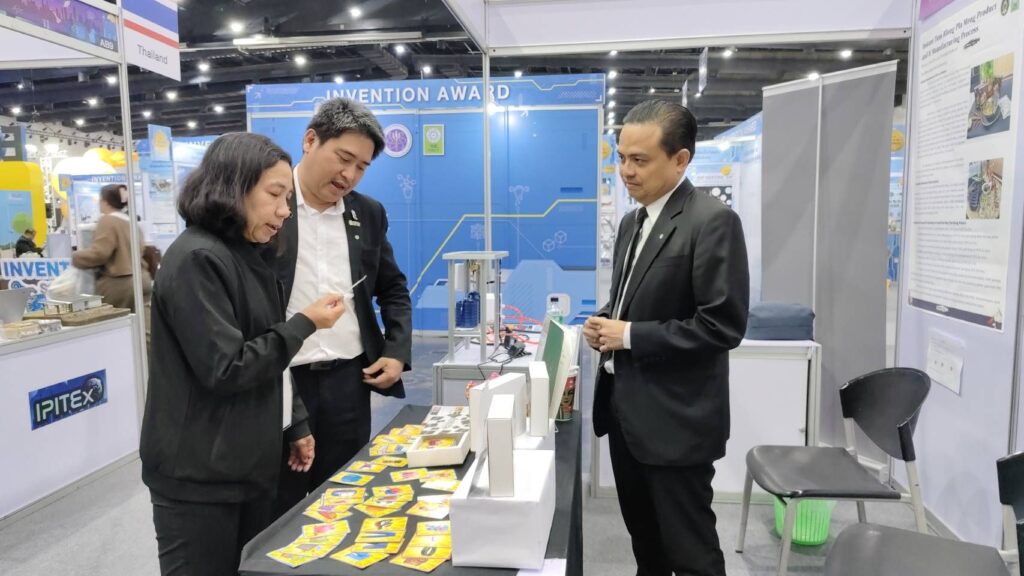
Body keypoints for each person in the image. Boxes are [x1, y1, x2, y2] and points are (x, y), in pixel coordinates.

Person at [139, 133, 346, 576]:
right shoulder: (197, 259)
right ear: (233, 188)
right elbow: (228, 366)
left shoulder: (250, 256)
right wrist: (305, 323)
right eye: (275, 194)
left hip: (247, 465)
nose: (285, 211)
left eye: (287, 198)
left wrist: (295, 423)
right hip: (199, 476)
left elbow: (269, 351)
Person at [584, 100, 749, 576]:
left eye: (640, 160)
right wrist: (606, 322)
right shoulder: (632, 222)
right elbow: (632, 299)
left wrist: (630, 335)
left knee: (691, 555)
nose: (626, 171)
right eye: (621, 158)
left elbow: (722, 325)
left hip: (676, 423)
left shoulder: (712, 221)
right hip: (626, 415)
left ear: (680, 160)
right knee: (647, 546)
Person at [272, 97, 412, 515]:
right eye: (344, 158)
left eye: (362, 167)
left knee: (345, 501)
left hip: (349, 383)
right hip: (281, 378)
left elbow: (392, 287)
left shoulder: (367, 214)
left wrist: (396, 351)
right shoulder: (270, 206)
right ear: (310, 141)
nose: (349, 175)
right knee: (279, 507)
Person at [71, 184, 151, 312]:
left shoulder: (107, 220)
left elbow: (100, 253)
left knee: (113, 322)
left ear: (105, 201)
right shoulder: (132, 222)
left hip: (120, 285)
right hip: (142, 279)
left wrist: (76, 256)